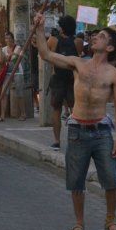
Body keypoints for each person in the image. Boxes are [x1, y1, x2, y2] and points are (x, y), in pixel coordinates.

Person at [34, 13, 116, 230]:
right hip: (77, 130)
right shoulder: (77, 63)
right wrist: (38, 28)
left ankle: (111, 221)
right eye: (95, 35)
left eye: (101, 37)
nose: (95, 37)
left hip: (102, 132)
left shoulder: (115, 74)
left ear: (110, 48)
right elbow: (45, 54)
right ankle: (79, 223)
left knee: (112, 180)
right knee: (76, 181)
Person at [48, 15, 82, 150]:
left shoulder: (53, 40)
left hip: (57, 78)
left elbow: (46, 55)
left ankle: (56, 141)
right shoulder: (78, 41)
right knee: (76, 110)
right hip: (73, 78)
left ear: (61, 27)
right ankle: (77, 139)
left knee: (56, 109)